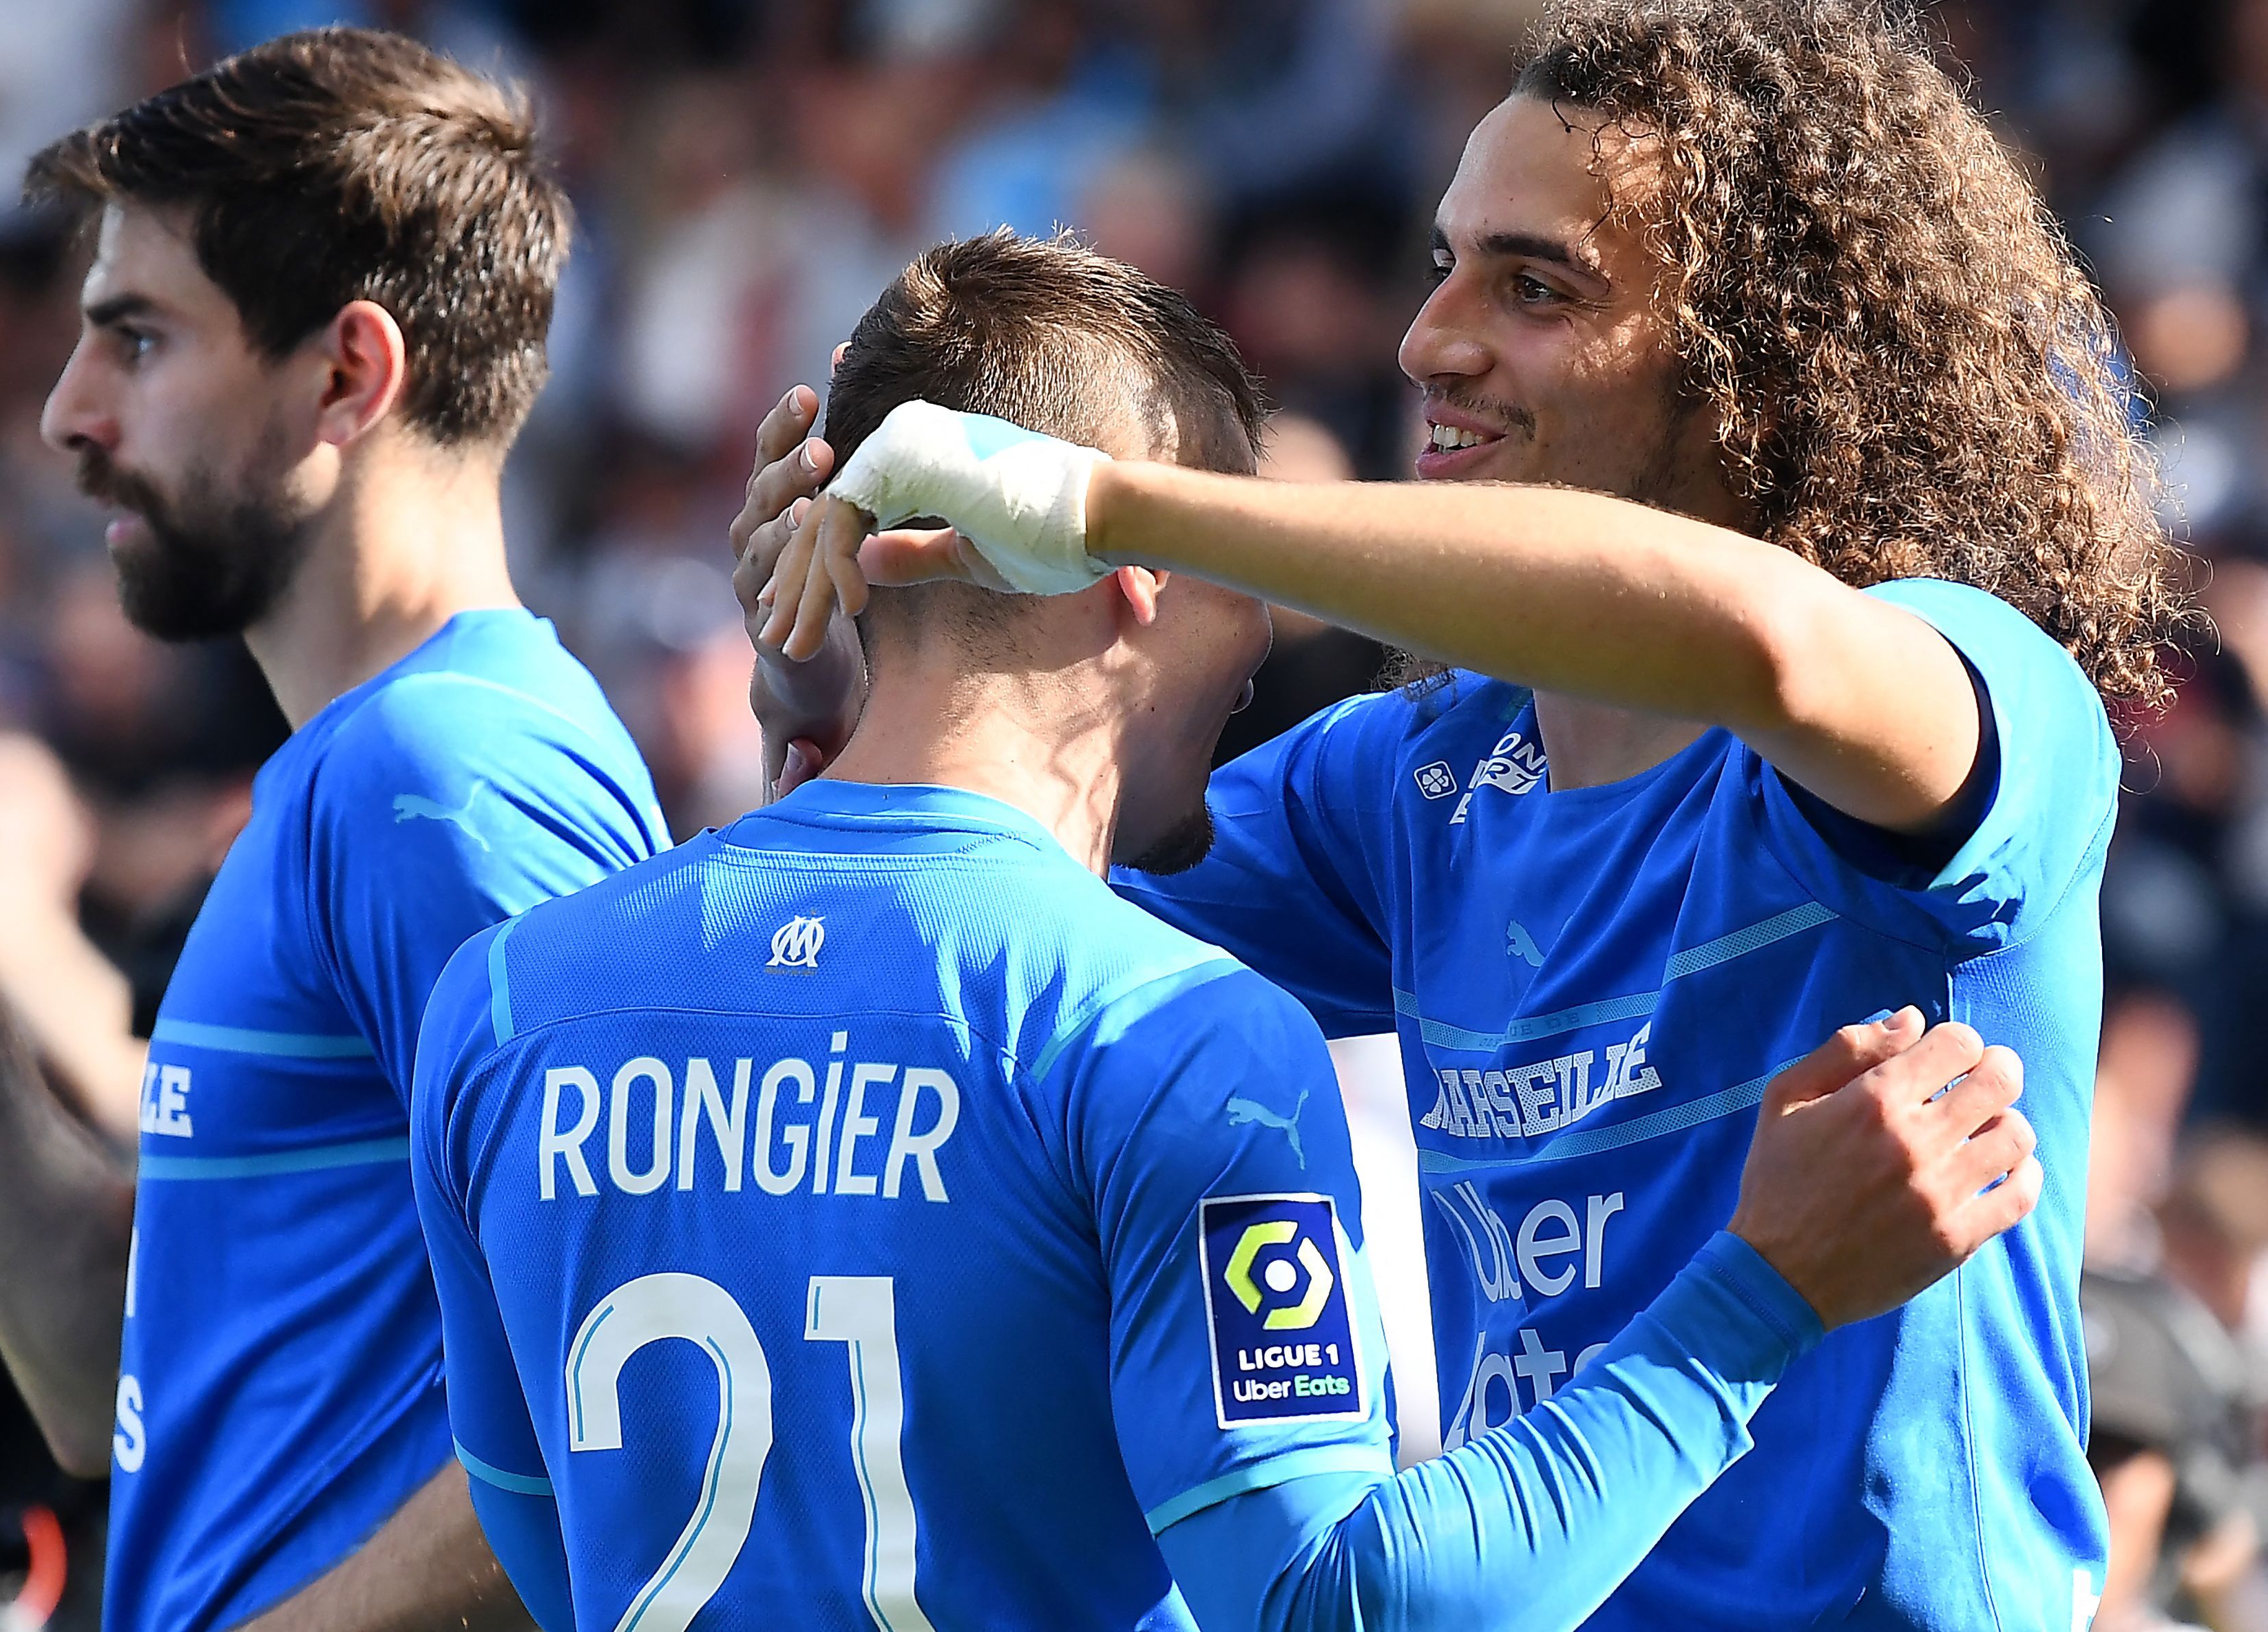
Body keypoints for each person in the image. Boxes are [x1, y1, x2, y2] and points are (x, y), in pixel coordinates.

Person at [737, 0, 2176, 1629]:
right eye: (1439, 268)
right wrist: (828, 662)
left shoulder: (1963, 682)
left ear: (1754, 360)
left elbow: (1765, 651)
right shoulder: (1412, 784)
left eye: (1534, 288)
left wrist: (1125, 507)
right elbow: (981, 900)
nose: (1431, 340)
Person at [413, 233, 2041, 1632]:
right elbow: (1337, 1604)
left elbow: (549, 1550)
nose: (1257, 620)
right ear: (1126, 568)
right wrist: (1747, 1302)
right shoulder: (1175, 1030)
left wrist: (822, 699)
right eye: (1216, 537)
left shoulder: (503, 1005)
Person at [0, 30, 665, 1631]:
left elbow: (628, 1393)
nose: (64, 416)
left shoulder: (441, 781)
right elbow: (83, 1365)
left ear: (347, 373)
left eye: (136, 342)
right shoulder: (350, 779)